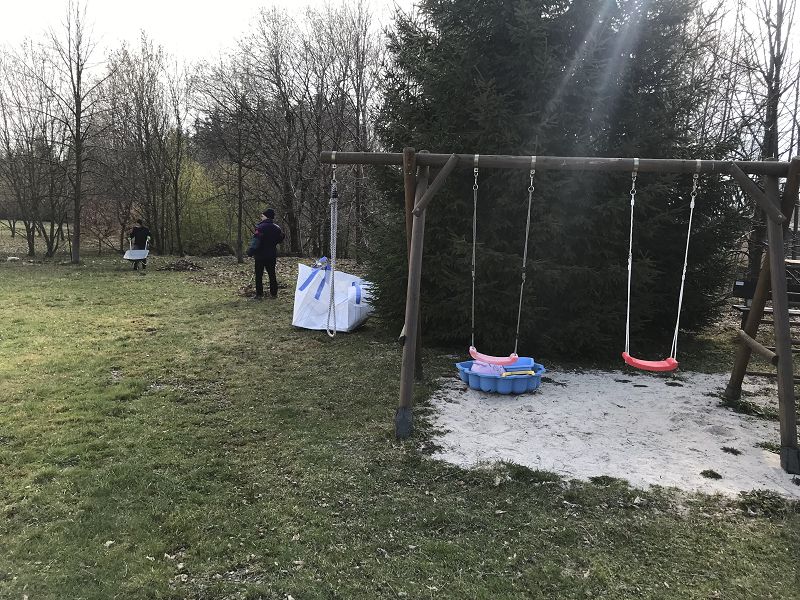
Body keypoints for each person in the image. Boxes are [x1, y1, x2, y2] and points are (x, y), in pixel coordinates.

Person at [246, 208, 285, 299]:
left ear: (267, 216)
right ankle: (274, 294)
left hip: (260, 255)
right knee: (272, 274)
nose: (261, 217)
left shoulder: (260, 228)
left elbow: (256, 241)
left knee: (259, 275)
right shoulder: (277, 228)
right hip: (272, 255)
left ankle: (259, 294)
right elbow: (280, 238)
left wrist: (250, 251)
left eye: (262, 216)